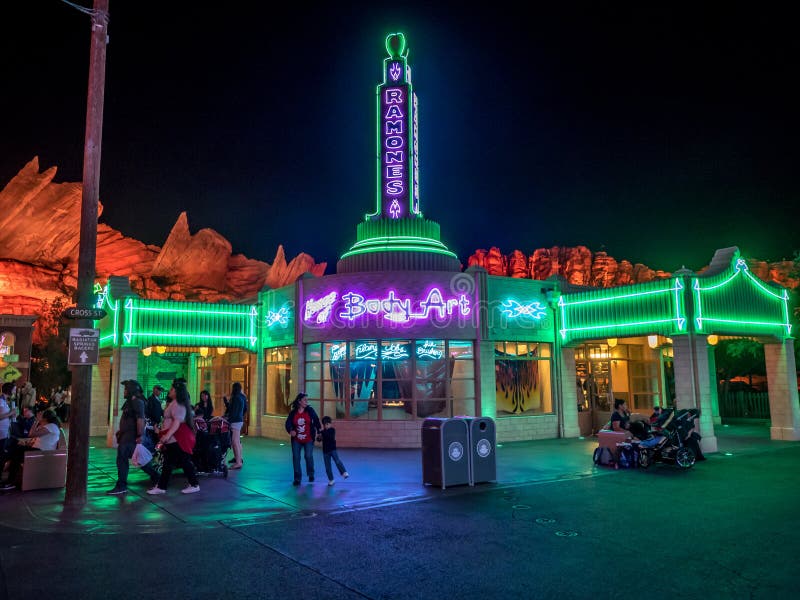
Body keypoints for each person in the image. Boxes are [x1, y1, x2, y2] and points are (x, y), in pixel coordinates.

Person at [107, 380, 159, 495]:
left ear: (131, 390)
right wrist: (121, 431)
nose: (124, 391)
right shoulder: (131, 402)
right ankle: (156, 477)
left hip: (131, 437)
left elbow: (141, 419)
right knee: (134, 459)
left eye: (126, 389)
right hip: (127, 436)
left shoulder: (137, 402)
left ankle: (122, 485)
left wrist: (140, 435)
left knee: (128, 459)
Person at [148, 381, 200, 495]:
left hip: (178, 439)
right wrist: (162, 432)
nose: (169, 391)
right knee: (169, 463)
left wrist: (166, 436)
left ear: (176, 391)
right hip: (174, 439)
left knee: (183, 461)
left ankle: (194, 484)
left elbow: (177, 423)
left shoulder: (178, 404)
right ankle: (162, 487)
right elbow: (170, 421)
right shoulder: (175, 403)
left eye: (171, 389)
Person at [1, 408, 62, 491]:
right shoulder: (47, 426)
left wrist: (36, 421)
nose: (38, 415)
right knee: (13, 449)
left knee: (14, 453)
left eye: (40, 415)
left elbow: (31, 434)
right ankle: (8, 477)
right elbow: (32, 436)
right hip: (36, 450)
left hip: (41, 453)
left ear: (45, 418)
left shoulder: (51, 426)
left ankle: (9, 481)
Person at [285, 392, 321, 486]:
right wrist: (290, 430)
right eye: (305, 400)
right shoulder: (293, 413)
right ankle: (297, 478)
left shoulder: (310, 410)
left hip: (308, 438)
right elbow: (288, 423)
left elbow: (316, 420)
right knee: (296, 458)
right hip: (296, 440)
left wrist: (319, 432)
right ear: (299, 401)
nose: (306, 401)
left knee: (308, 456)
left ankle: (311, 474)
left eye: (307, 400)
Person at [319, 416, 348, 486]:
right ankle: (331, 480)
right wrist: (319, 436)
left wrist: (322, 433)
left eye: (327, 424)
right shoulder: (322, 432)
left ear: (330, 424)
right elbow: (319, 440)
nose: (326, 426)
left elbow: (330, 436)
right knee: (327, 467)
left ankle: (344, 472)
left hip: (332, 449)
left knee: (337, 461)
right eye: (325, 425)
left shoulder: (332, 430)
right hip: (325, 451)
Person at [224, 383, 246, 469]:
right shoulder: (241, 397)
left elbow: (233, 411)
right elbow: (243, 410)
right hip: (238, 420)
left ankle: (238, 462)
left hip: (235, 421)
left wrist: (227, 419)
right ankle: (238, 460)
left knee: (235, 442)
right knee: (236, 442)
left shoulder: (236, 398)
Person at [0, 383, 17, 476]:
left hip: (4, 432)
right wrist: (10, 414)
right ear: (9, 390)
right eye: (14, 389)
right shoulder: (1, 401)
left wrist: (12, 415)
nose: (15, 391)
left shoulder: (5, 401)